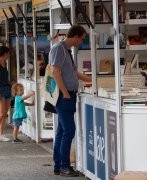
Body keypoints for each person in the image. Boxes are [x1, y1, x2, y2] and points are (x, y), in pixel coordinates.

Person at [50, 25, 91, 177]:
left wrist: (91, 80)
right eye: (81, 38)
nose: (81, 41)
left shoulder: (66, 50)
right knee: (68, 130)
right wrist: (65, 92)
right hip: (64, 96)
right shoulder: (59, 49)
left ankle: (58, 165)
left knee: (62, 131)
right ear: (75, 36)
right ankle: (64, 166)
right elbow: (55, 71)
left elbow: (73, 72)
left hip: (67, 95)